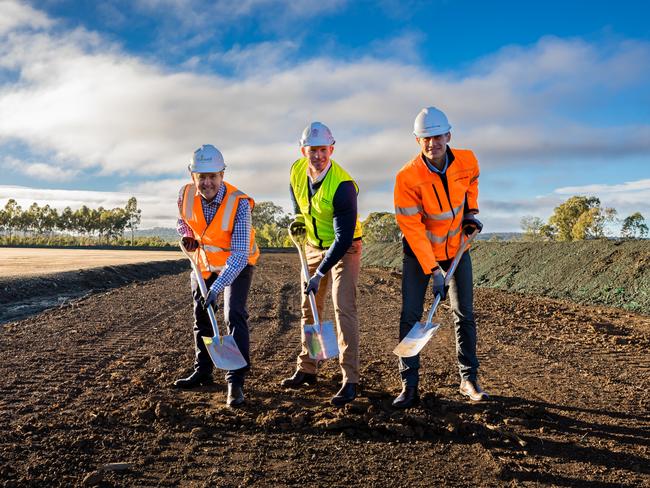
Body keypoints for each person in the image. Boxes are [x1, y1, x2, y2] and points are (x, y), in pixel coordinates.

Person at [392, 107, 488, 408]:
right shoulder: (407, 177)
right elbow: (412, 228)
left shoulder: (468, 160)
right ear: (417, 140)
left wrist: (471, 212)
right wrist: (433, 270)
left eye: (436, 136)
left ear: (448, 135)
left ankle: (468, 379)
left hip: (458, 250)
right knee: (410, 316)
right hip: (420, 255)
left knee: (464, 314)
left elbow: (472, 181)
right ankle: (409, 385)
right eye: (424, 138)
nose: (431, 143)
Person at [280, 122, 363, 407]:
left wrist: (319, 273)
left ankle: (349, 378)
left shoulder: (343, 186)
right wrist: (298, 222)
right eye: (312, 150)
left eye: (323, 150)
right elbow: (297, 204)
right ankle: (308, 367)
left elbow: (342, 239)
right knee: (309, 307)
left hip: (345, 248)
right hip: (313, 245)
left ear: (332, 149)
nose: (318, 156)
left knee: (343, 308)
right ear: (303, 150)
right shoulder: (296, 170)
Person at [174, 144, 259, 407]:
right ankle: (203, 370)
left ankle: (236, 380)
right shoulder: (185, 194)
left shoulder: (239, 204)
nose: (208, 182)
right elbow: (183, 221)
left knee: (233, 314)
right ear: (193, 176)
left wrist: (217, 288)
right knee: (201, 316)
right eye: (202, 177)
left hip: (237, 264)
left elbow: (239, 255)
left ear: (222, 174)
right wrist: (186, 235)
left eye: (213, 176)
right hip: (203, 264)